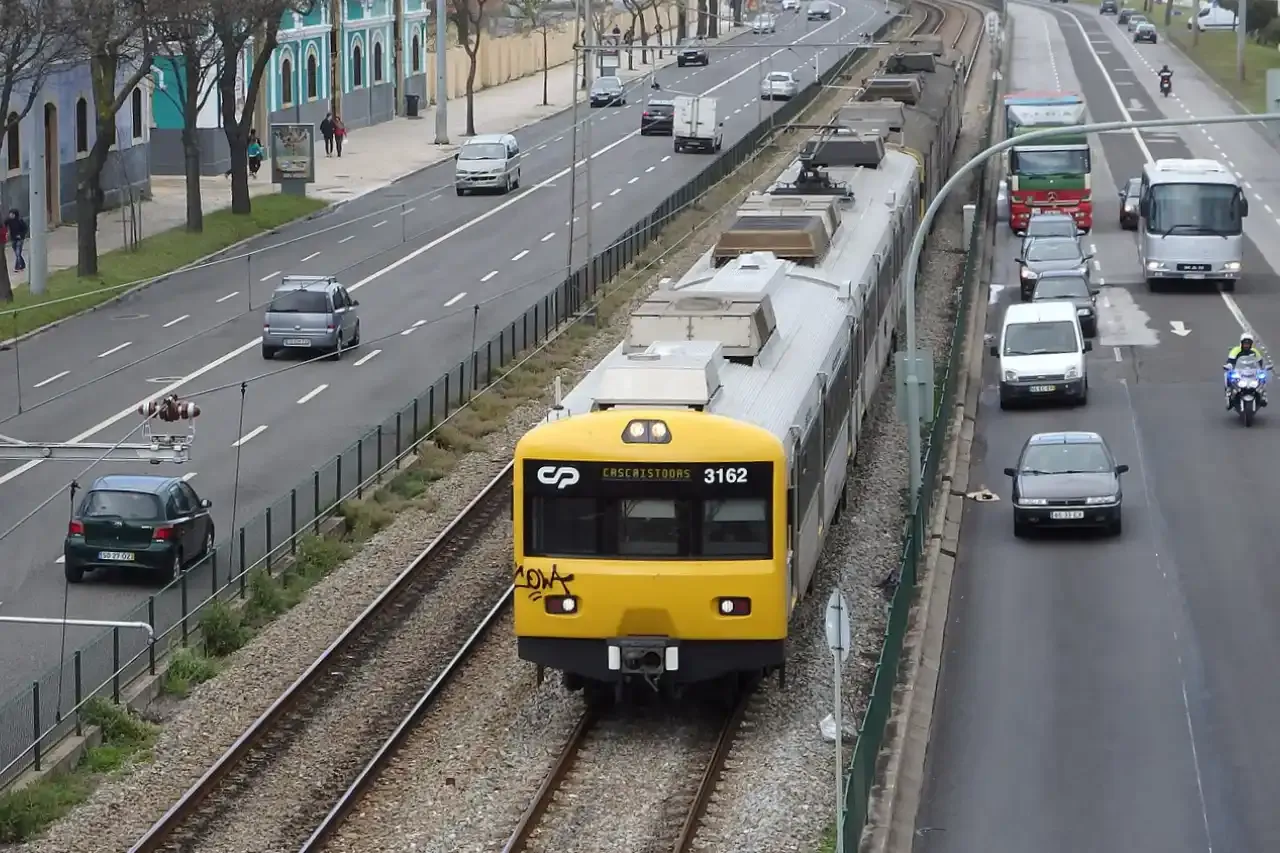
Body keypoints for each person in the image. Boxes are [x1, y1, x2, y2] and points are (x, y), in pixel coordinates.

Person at [1225, 332, 1263, 406]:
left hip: (1252, 372)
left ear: (1251, 344)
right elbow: (1230, 361)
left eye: (1248, 343)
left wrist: (1261, 370)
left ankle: (1263, 394)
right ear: (1241, 343)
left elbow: (1260, 362)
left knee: (1263, 377)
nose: (1246, 345)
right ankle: (1228, 393)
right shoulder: (1235, 350)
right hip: (1238, 371)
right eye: (1245, 343)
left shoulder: (1255, 351)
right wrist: (1229, 366)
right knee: (1227, 374)